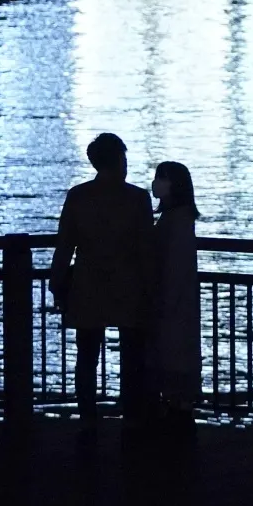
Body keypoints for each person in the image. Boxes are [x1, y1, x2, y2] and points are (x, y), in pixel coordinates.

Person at [50, 132, 154, 423]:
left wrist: (57, 282)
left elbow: (64, 246)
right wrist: (151, 290)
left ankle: (88, 419)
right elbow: (146, 250)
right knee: (132, 359)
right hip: (128, 286)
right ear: (119, 159)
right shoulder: (137, 199)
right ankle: (132, 417)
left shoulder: (78, 196)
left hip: (88, 285)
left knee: (86, 358)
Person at [150, 161, 201, 427]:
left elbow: (175, 264)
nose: (155, 183)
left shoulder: (176, 219)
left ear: (174, 185)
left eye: (161, 178)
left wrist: (166, 302)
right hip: (176, 301)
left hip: (171, 302)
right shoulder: (178, 218)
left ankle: (177, 407)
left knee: (173, 353)